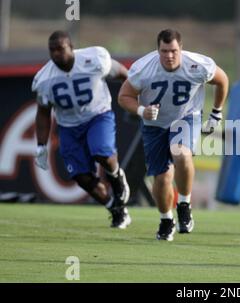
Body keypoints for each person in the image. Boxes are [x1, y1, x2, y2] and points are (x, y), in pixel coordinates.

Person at [118, 29, 229, 241]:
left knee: (181, 154)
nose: (169, 55)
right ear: (157, 49)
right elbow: (124, 96)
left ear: (181, 48)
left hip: (185, 117)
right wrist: (142, 110)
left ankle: (184, 205)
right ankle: (166, 219)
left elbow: (222, 80)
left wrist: (216, 113)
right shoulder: (144, 68)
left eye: (173, 51)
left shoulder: (197, 65)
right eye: (164, 51)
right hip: (154, 125)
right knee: (162, 178)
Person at [32, 30, 132, 229]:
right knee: (80, 176)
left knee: (101, 152)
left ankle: (116, 176)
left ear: (71, 47)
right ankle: (116, 209)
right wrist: (41, 146)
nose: (56, 54)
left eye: (60, 49)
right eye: (52, 50)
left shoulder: (94, 59)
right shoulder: (44, 79)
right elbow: (43, 113)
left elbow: (123, 74)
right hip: (68, 127)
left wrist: (134, 100)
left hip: (98, 115)